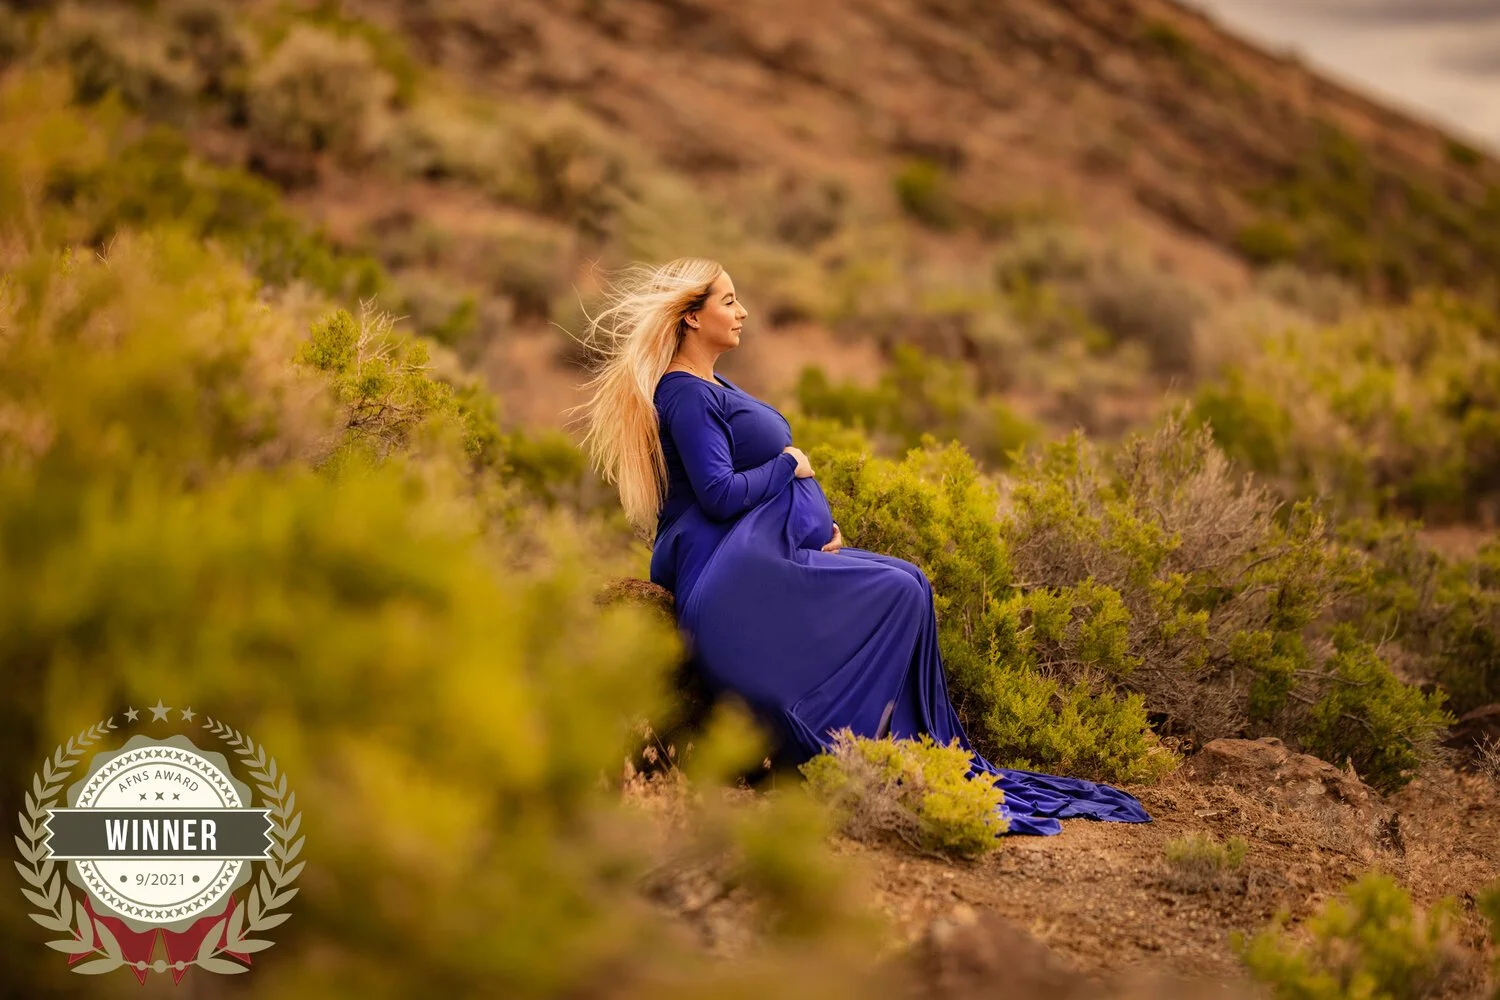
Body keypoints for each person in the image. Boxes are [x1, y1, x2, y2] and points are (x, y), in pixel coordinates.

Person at [574, 257, 1150, 836]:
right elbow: (720, 497)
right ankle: (846, 747)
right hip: (728, 579)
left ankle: (903, 752)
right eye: (728, 301)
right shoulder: (685, 393)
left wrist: (806, 528)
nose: (742, 310)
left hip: (756, 558)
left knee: (912, 583)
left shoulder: (710, 385)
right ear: (693, 318)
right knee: (897, 590)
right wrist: (788, 466)